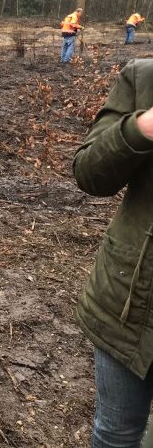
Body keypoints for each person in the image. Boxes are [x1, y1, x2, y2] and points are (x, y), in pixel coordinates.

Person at [74, 58, 153, 447]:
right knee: (115, 432)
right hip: (128, 303)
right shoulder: (143, 78)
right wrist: (141, 128)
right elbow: (89, 174)